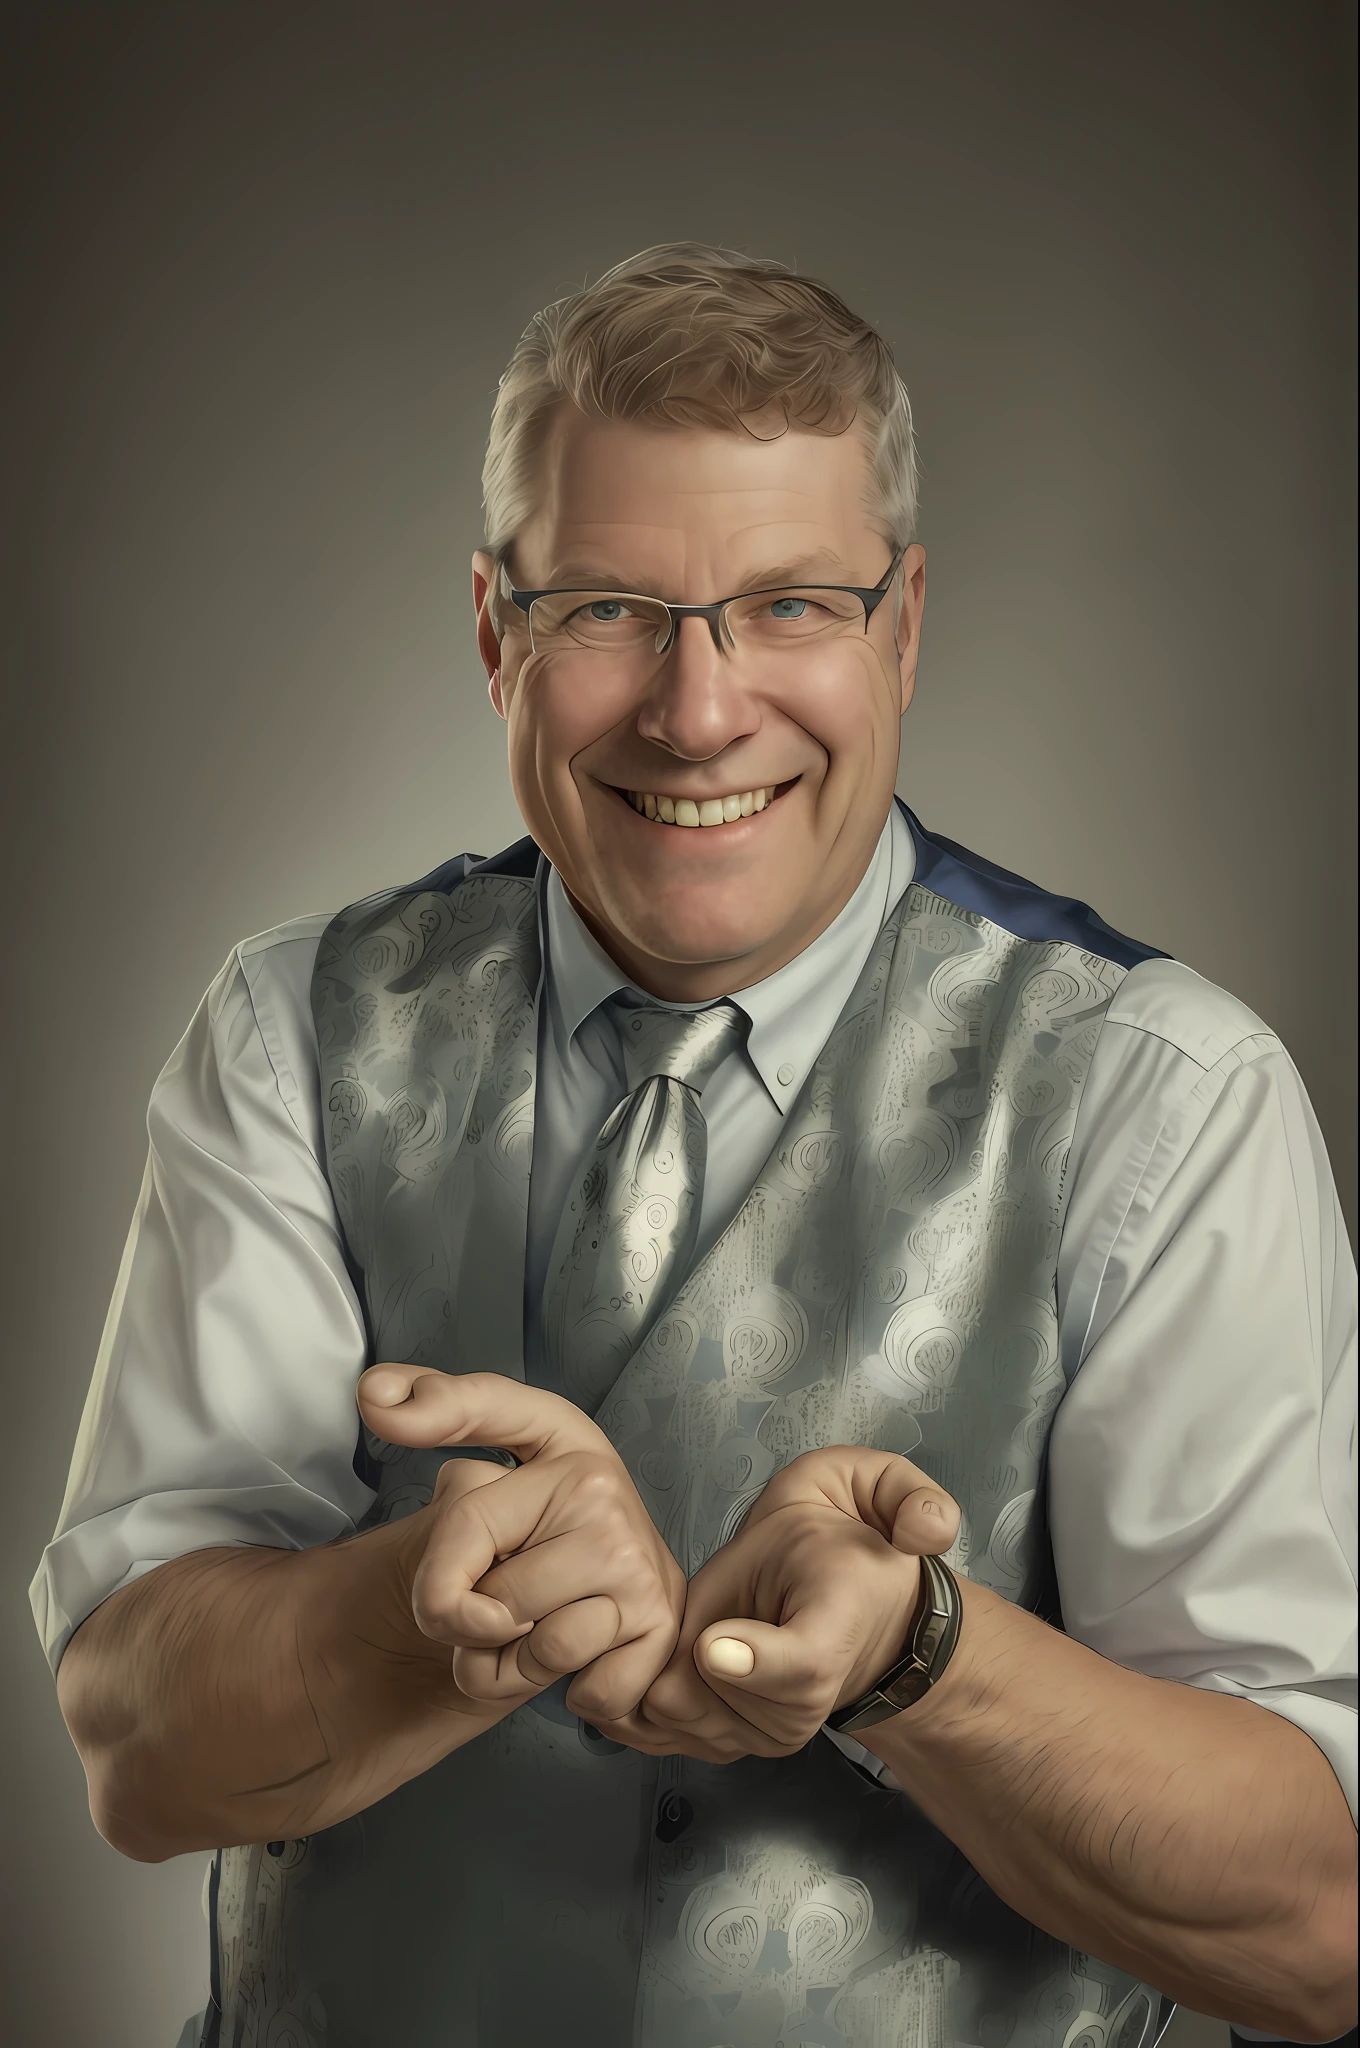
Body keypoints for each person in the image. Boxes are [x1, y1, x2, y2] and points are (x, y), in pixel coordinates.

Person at [31, 243, 1356, 2048]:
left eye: (791, 604)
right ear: (495, 634)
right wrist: (424, 1620)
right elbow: (133, 1751)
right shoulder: (291, 1034)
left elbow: (1317, 1930)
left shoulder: (1162, 1097)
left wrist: (923, 1662)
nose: (698, 709)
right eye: (603, 611)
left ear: (904, 626)